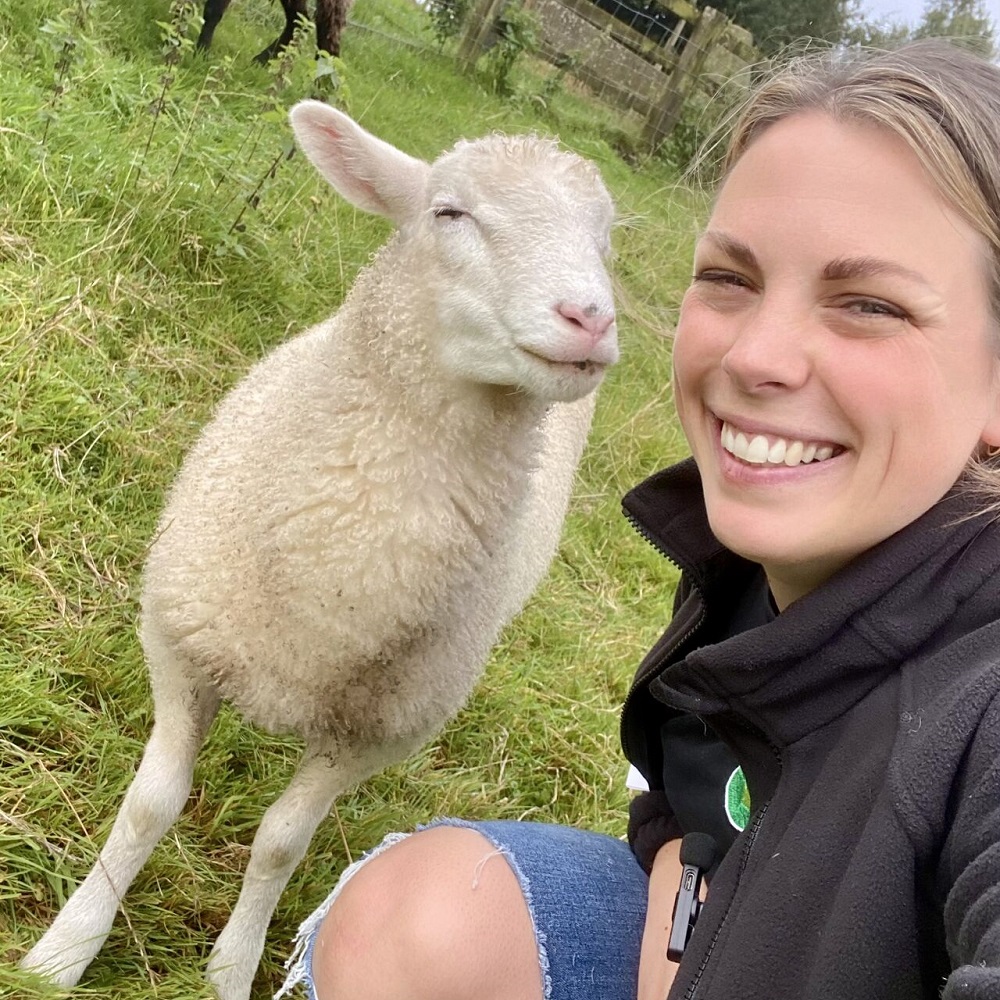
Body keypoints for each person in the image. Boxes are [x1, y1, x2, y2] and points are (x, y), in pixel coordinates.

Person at [275, 39, 1000, 1000]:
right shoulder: (760, 559)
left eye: (867, 303)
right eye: (731, 278)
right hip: (733, 935)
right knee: (417, 920)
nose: (757, 358)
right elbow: (695, 797)